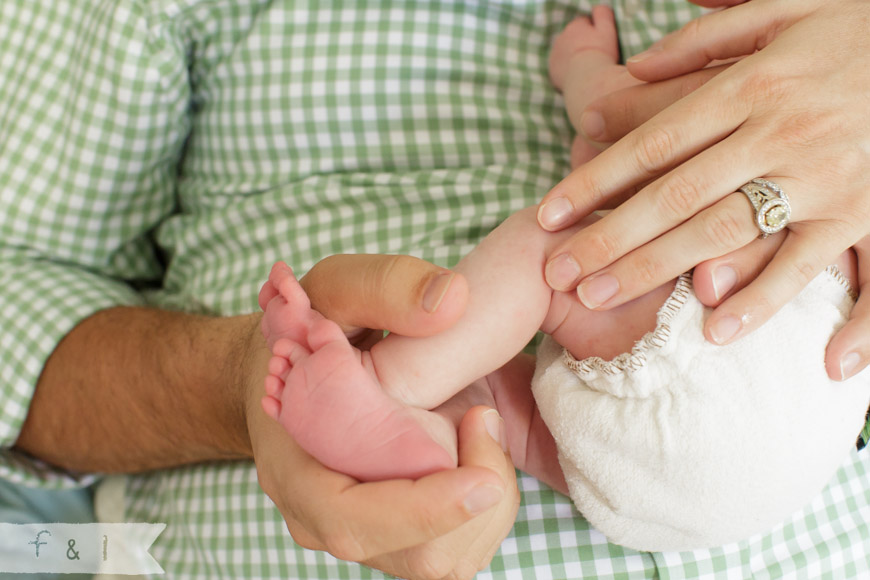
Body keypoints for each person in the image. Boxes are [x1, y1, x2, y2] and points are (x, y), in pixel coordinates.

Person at [2, 0, 870, 578]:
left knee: (558, 243)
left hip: (750, 367)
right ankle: (439, 433)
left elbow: (608, 118)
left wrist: (581, 70)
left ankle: (399, 387)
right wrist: (232, 388)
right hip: (781, 425)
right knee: (535, 411)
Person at [254, 9, 870, 551]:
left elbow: (602, 114)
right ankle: (432, 446)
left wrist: (581, 62)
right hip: (785, 453)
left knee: (545, 256)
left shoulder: (765, 61)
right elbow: (603, 158)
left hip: (731, 358)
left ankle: (385, 383)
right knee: (500, 407)